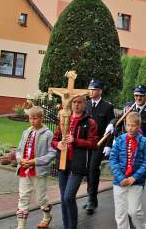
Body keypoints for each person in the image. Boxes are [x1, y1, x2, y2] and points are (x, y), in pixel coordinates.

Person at [52, 95, 98, 229]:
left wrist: (76, 140)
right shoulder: (63, 118)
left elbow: (93, 144)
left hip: (78, 165)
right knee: (63, 198)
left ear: (85, 104)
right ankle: (67, 226)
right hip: (62, 163)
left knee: (68, 197)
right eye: (74, 102)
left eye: (79, 102)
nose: (76, 105)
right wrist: (58, 144)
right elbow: (54, 139)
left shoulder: (90, 122)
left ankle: (72, 226)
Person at [15, 106, 56, 229]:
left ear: (42, 118)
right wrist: (19, 159)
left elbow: (52, 153)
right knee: (23, 197)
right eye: (30, 118)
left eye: (35, 118)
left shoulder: (48, 134)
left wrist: (35, 161)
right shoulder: (26, 132)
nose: (32, 121)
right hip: (24, 170)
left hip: (39, 171)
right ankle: (21, 226)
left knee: (41, 198)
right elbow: (19, 150)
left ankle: (47, 216)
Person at [110, 112, 146, 229]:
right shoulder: (120, 140)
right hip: (119, 181)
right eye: (128, 125)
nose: (130, 128)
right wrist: (120, 177)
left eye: (133, 125)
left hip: (136, 181)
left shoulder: (144, 141)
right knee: (120, 213)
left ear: (138, 126)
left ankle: (142, 227)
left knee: (134, 211)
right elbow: (113, 159)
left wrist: (135, 177)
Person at [83, 79, 115, 214]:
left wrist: (108, 144)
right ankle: (91, 196)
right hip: (86, 144)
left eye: (94, 89)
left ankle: (91, 198)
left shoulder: (107, 107)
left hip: (99, 144)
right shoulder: (86, 105)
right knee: (87, 170)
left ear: (100, 91)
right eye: (90, 89)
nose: (91, 92)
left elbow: (112, 126)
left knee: (93, 169)